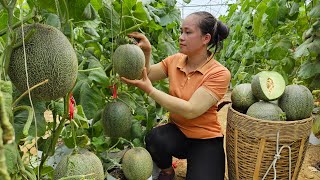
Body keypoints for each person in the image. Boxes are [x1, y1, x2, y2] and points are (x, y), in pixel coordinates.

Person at [121, 11, 231, 180]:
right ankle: (167, 171)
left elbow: (191, 110)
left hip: (205, 140)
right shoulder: (175, 60)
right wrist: (147, 52)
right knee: (154, 138)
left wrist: (151, 91)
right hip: (178, 133)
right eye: (181, 31)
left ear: (205, 38)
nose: (181, 37)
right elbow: (148, 74)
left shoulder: (219, 73)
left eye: (188, 32)